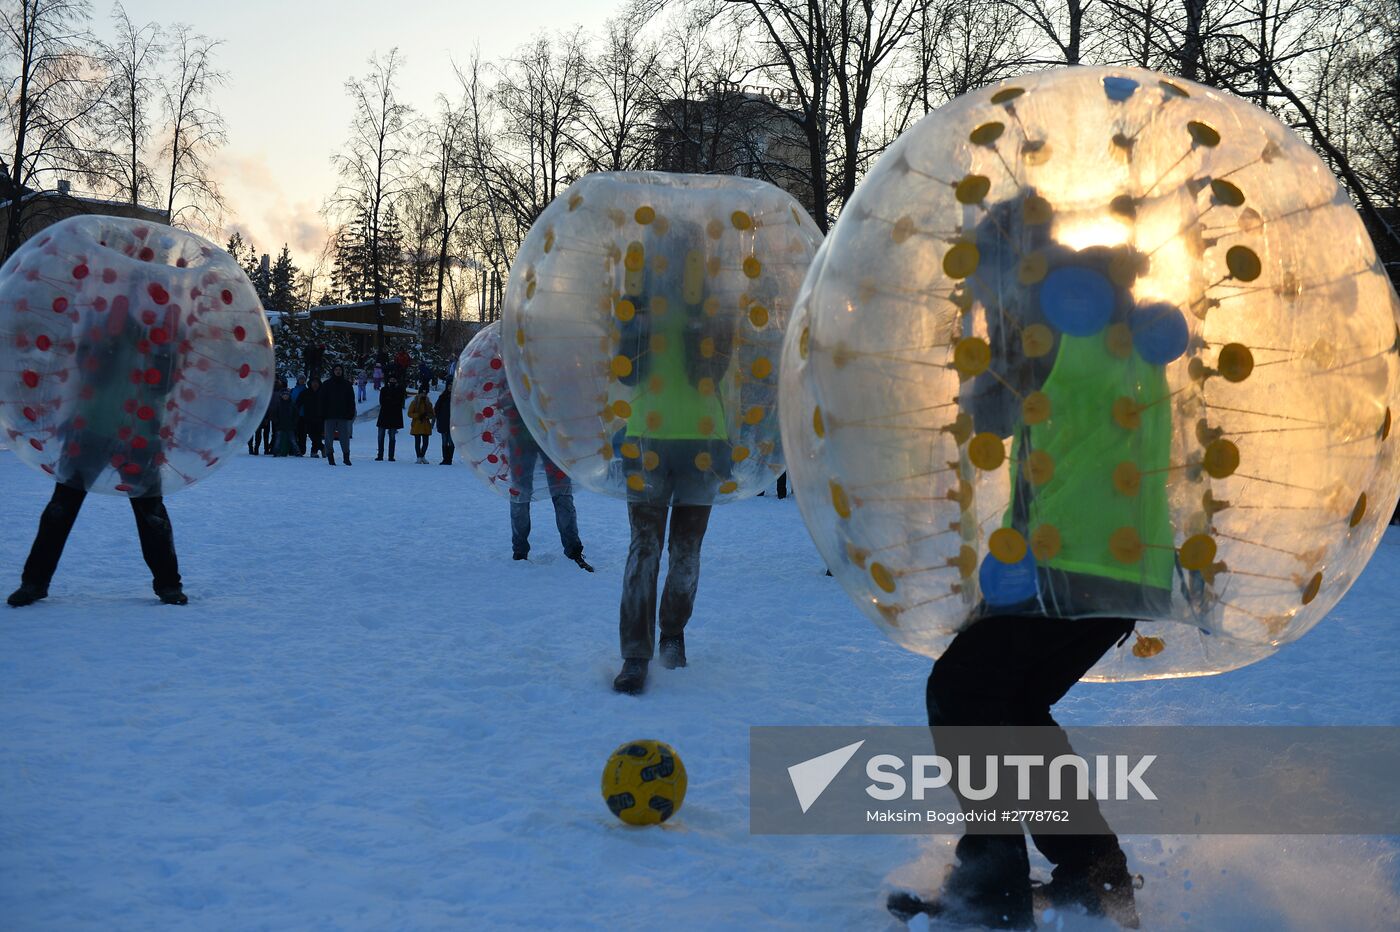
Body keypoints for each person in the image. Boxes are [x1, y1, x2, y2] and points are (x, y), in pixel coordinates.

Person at [895, 194, 1173, 928]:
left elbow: (988, 412)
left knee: (960, 692)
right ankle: (1094, 873)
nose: (977, 294)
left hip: (1075, 559)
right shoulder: (1102, 304)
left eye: (981, 278)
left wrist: (983, 330)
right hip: (1121, 561)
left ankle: (992, 892)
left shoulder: (1044, 316)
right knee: (1013, 704)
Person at [611, 221, 733, 695]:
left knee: (685, 551)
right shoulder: (637, 297)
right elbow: (625, 373)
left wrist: (701, 319)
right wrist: (636, 319)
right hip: (647, 437)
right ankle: (635, 655)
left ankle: (673, 634)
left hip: (703, 440)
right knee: (645, 546)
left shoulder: (718, 301)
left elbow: (712, 369)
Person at [8, 300, 187, 607]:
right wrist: (112, 335)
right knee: (60, 508)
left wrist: (166, 344)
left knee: (151, 514)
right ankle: (34, 582)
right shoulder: (103, 325)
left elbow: (163, 387)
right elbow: (87, 370)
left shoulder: (163, 333)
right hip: (90, 430)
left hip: (139, 436)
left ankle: (169, 585)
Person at [498, 377, 592, 573]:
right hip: (521, 439)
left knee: (562, 495)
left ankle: (573, 550)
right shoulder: (512, 361)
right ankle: (520, 552)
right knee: (520, 497)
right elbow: (503, 398)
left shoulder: (551, 359)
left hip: (553, 439)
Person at [320, 364, 357, 466]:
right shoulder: (327, 384)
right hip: (329, 415)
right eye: (336, 369)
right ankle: (330, 457)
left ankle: (346, 457)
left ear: (342, 371)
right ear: (333, 371)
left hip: (343, 416)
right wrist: (322, 413)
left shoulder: (347, 384)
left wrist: (351, 413)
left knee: (345, 438)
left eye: (339, 370)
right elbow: (322, 400)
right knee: (328, 438)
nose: (338, 371)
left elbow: (351, 400)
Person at [376, 373, 405, 461]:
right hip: (384, 414)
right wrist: (391, 401)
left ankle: (391, 456)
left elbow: (400, 401)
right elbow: (381, 401)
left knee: (392, 436)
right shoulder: (384, 389)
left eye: (394, 379)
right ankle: (380, 455)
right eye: (391, 379)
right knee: (381, 435)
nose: (392, 381)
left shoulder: (399, 390)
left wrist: (390, 401)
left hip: (394, 415)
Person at [247, 378, 279, 455]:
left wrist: (267, 418)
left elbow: (266, 407)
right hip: (253, 418)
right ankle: (252, 448)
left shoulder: (265, 395)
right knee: (253, 434)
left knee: (262, 434)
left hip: (263, 417)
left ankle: (260, 448)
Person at [296, 377, 323, 457]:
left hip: (320, 417)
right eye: (313, 382)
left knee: (317, 435)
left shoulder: (322, 393)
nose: (315, 384)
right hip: (307, 417)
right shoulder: (305, 393)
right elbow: (298, 404)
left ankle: (314, 451)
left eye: (316, 382)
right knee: (311, 435)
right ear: (310, 383)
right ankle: (322, 447)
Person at [408, 388, 434, 463]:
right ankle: (419, 456)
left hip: (426, 425)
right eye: (422, 393)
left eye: (425, 393)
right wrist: (418, 415)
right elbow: (409, 413)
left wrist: (427, 416)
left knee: (426, 442)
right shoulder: (414, 402)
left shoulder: (428, 403)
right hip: (417, 425)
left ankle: (422, 456)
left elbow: (432, 414)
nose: (423, 395)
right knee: (417, 441)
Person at [270, 387, 297, 457]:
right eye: (284, 395)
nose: (285, 396)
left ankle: (297, 452)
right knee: (277, 440)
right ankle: (275, 452)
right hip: (280, 426)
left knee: (293, 440)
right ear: (281, 396)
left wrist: (294, 423)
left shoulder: (292, 404)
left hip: (290, 426)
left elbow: (295, 415)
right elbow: (274, 414)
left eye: (287, 395)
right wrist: (276, 422)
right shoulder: (278, 404)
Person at [434, 381, 455, 465]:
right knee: (444, 441)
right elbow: (436, 408)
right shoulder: (442, 396)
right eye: (449, 386)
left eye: (451, 386)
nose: (450, 387)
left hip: (453, 423)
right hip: (443, 422)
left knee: (451, 441)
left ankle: (449, 459)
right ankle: (445, 459)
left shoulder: (456, 397)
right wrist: (439, 417)